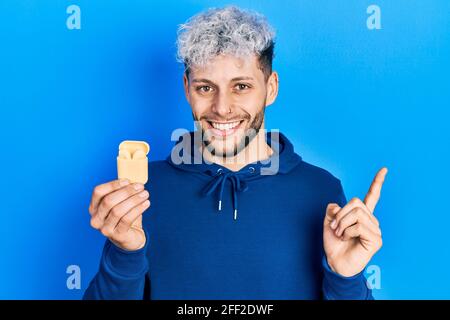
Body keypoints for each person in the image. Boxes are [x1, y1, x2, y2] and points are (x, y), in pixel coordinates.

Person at [83, 6, 387, 300]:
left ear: (271, 88)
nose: (222, 108)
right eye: (205, 88)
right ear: (187, 88)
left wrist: (345, 278)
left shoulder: (321, 190)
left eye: (241, 86)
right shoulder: (143, 191)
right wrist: (124, 253)